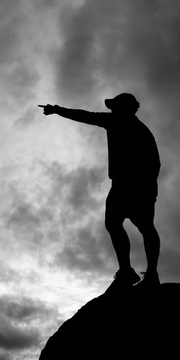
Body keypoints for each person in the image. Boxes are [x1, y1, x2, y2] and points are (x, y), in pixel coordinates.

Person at [39, 93, 161, 289]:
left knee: (142, 227)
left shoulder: (129, 126)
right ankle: (129, 271)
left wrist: (145, 187)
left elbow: (154, 163)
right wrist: (57, 110)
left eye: (116, 106)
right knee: (116, 224)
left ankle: (146, 273)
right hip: (126, 185)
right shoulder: (126, 124)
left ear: (125, 108)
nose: (112, 110)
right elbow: (85, 115)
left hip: (135, 185)